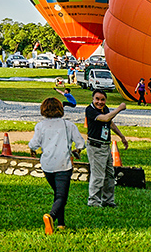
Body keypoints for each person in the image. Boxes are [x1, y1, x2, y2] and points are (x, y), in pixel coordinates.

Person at [29, 96, 86, 234]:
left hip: (47, 165)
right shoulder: (68, 125)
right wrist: (77, 150)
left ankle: (61, 223)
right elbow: (81, 143)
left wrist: (32, 150)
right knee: (61, 196)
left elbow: (33, 144)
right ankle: (51, 217)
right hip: (63, 165)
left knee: (57, 194)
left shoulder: (40, 126)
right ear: (60, 109)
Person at [84, 90, 128, 207]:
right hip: (95, 146)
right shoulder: (90, 110)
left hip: (105, 146)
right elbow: (105, 119)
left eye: (102, 99)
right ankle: (93, 202)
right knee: (98, 176)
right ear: (93, 99)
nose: (100, 102)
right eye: (97, 99)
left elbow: (110, 123)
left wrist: (122, 136)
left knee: (109, 175)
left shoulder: (105, 109)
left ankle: (108, 201)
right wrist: (119, 108)